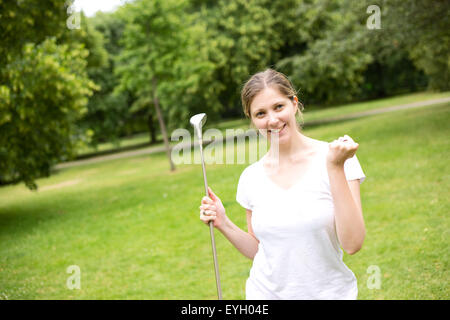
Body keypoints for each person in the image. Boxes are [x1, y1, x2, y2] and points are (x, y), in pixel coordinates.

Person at [199, 68, 366, 300]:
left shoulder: (339, 158)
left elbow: (353, 243)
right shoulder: (251, 177)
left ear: (294, 104)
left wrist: (335, 167)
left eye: (278, 107)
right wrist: (223, 223)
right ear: (252, 119)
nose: (272, 120)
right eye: (260, 113)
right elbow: (260, 249)